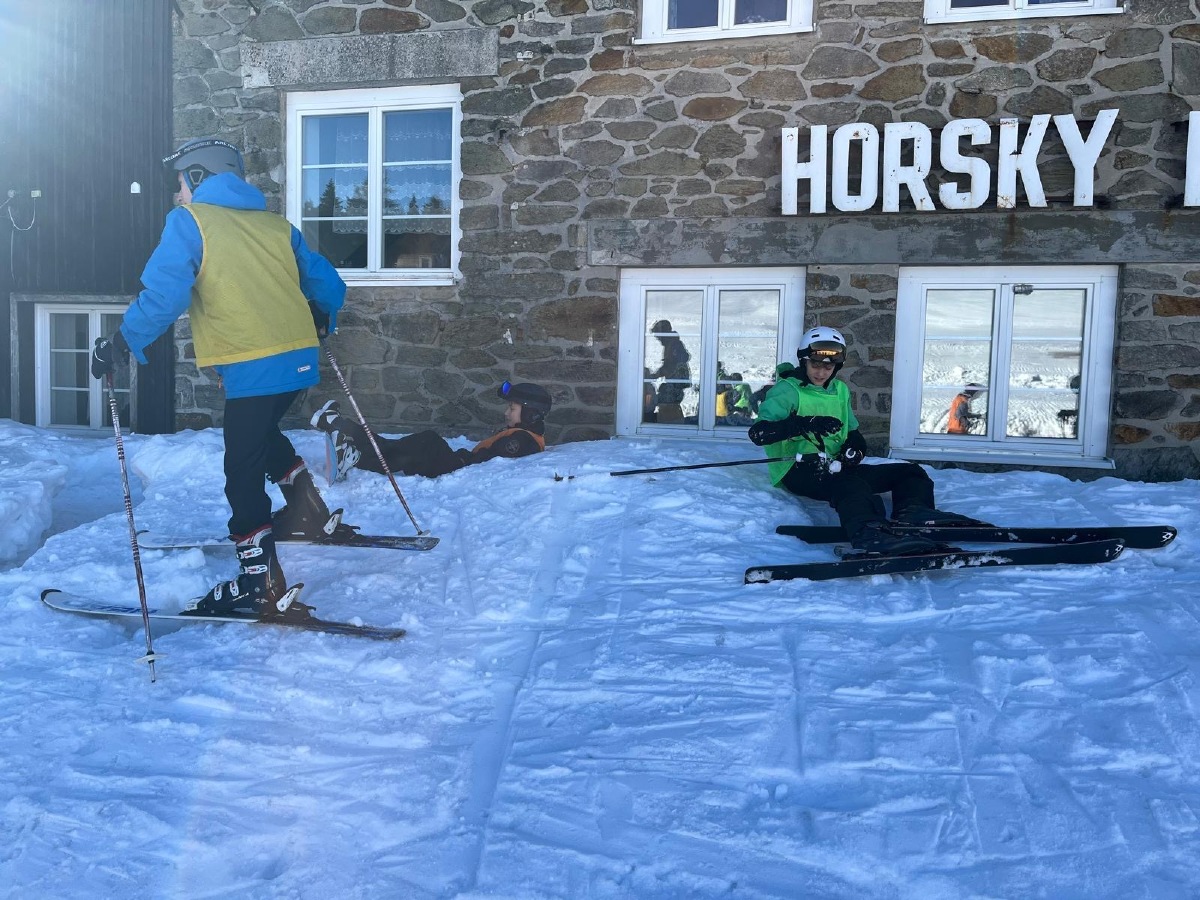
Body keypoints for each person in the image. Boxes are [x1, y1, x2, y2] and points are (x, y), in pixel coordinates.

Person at [90, 137, 347, 617]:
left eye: (180, 183)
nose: (177, 194)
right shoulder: (276, 226)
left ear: (199, 177)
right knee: (261, 436)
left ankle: (260, 583)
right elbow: (328, 283)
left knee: (241, 470)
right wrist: (322, 312)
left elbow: (164, 296)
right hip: (297, 360)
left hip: (254, 361)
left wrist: (121, 342)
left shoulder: (190, 221)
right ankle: (308, 512)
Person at [747, 326, 981, 556]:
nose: (821, 372)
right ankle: (868, 532)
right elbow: (759, 433)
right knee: (851, 485)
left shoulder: (840, 390)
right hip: (798, 469)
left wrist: (855, 449)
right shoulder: (787, 391)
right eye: (815, 365)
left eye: (828, 366)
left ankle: (915, 514)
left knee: (910, 472)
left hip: (835, 465)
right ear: (803, 361)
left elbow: (852, 432)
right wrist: (805, 424)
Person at [310, 381, 552, 481]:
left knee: (416, 447)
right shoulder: (524, 436)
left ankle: (351, 447)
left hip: (459, 469)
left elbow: (491, 466)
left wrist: (461, 461)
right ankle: (342, 428)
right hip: (459, 464)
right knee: (398, 448)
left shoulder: (522, 441)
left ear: (530, 414)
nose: (507, 413)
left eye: (512, 408)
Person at [647, 319, 690, 424]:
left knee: (665, 401)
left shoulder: (673, 345)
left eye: (658, 335)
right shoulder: (670, 344)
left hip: (676, 384)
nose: (657, 338)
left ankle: (672, 423)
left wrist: (655, 375)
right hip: (674, 382)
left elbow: (670, 365)